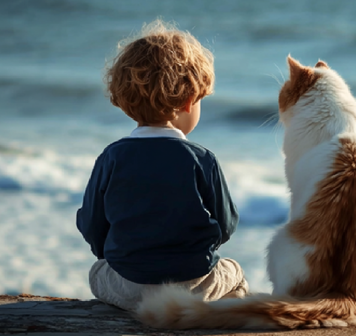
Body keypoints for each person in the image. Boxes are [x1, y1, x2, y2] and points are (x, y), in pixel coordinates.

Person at [77, 20, 249, 311]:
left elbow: (92, 225)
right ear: (188, 101)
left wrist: (119, 256)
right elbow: (226, 225)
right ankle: (220, 314)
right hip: (194, 285)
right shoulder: (202, 159)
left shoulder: (111, 157)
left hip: (130, 287)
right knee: (234, 271)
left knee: (97, 272)